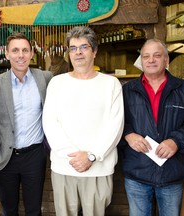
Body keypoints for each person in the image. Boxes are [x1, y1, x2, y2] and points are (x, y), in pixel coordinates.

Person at [42, 26, 124, 216]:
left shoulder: (110, 84)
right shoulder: (57, 83)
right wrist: (73, 156)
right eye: (73, 48)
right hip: (65, 166)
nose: (78, 52)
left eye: (84, 47)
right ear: (68, 53)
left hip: (98, 167)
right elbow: (50, 123)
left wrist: (92, 156)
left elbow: (115, 126)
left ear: (94, 51)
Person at [0, 32, 53, 216]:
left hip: (34, 156)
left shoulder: (45, 78)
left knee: (34, 210)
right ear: (7, 54)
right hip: (5, 157)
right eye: (15, 50)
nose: (20, 55)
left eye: (24, 50)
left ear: (31, 53)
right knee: (9, 209)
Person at [119, 39, 184, 216]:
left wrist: (176, 141)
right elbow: (116, 122)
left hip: (171, 171)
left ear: (166, 60)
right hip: (137, 170)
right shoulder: (126, 91)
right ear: (141, 61)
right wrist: (128, 134)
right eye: (146, 56)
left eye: (157, 55)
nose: (151, 60)